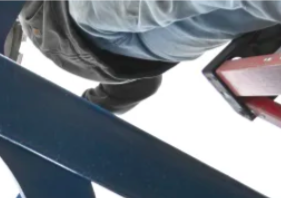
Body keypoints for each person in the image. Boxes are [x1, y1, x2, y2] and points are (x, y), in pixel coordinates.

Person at [21, 0, 281, 113]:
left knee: (222, 18)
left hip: (128, 57)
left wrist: (86, 109)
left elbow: (138, 86)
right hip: (80, 25)